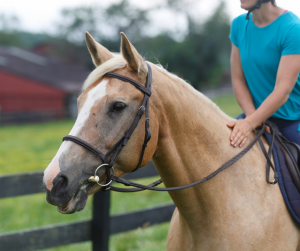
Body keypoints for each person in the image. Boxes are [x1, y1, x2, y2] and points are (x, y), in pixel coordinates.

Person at [228, 0, 300, 148]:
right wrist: (253, 118)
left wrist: (250, 122)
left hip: (291, 120)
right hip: (254, 116)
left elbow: (283, 89)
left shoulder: (293, 29)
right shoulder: (238, 26)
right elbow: (238, 79)